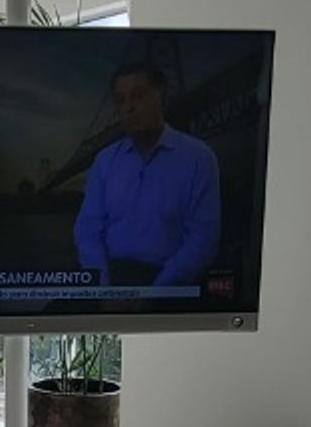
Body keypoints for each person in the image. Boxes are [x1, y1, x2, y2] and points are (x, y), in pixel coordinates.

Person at [73, 62, 220, 287]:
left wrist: (156, 292)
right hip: (110, 277)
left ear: (162, 98)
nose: (128, 108)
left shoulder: (198, 158)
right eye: (120, 100)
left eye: (138, 96)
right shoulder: (104, 161)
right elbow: (87, 231)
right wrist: (102, 287)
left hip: (171, 281)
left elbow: (203, 239)